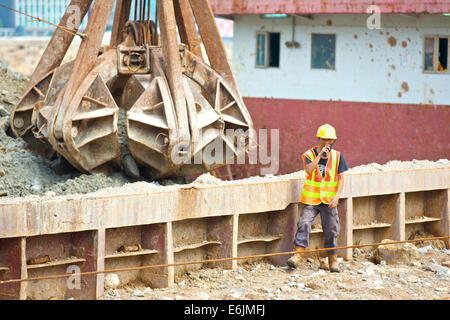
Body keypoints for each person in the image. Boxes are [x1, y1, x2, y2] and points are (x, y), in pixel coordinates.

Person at [287, 124, 348, 272]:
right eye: (324, 139)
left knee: (332, 229)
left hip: (329, 201)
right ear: (318, 139)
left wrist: (337, 196)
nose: (327, 142)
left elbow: (341, 178)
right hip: (311, 200)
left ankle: (333, 261)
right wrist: (320, 155)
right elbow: (309, 170)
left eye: (330, 140)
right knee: (304, 223)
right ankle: (297, 256)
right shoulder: (309, 154)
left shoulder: (338, 156)